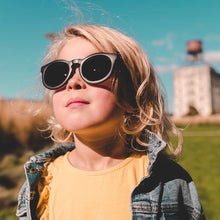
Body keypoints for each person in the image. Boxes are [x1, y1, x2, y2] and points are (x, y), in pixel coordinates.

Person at [16, 25, 205, 220]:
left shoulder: (169, 181)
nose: (72, 82)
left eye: (95, 68)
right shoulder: (41, 182)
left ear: (133, 93)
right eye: (59, 73)